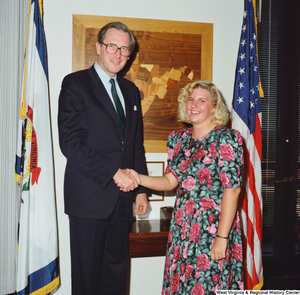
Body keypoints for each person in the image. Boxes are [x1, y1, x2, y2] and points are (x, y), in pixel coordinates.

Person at [124, 80, 244, 293]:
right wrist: (138, 178)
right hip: (183, 229)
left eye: (201, 100)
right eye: (190, 100)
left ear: (214, 107)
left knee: (209, 285)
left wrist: (222, 238)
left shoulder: (226, 138)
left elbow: (232, 190)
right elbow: (170, 181)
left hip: (213, 229)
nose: (194, 105)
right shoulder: (177, 139)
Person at [58, 22, 149, 295]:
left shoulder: (131, 91)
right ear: (98, 47)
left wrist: (142, 191)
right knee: (87, 279)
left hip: (122, 200)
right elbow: (71, 143)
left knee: (116, 275)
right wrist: (113, 172)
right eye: (112, 46)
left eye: (125, 49)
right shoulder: (75, 84)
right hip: (88, 199)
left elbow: (135, 144)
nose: (118, 54)